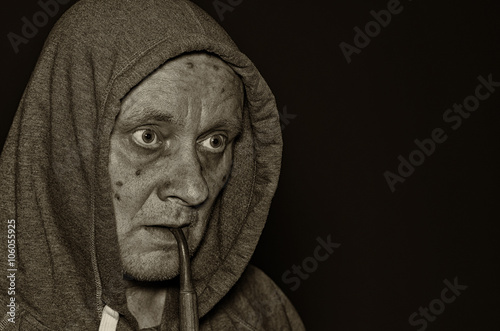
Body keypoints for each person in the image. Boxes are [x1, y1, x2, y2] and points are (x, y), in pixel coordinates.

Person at [0, 0, 305, 330]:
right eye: (148, 137)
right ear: (66, 142)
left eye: (214, 142)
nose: (194, 189)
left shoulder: (260, 312)